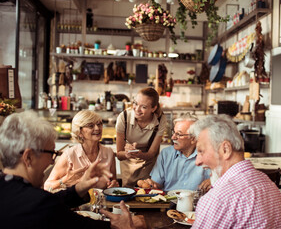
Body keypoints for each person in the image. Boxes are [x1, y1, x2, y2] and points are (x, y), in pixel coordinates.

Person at [0, 111, 143, 229]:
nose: (51, 160)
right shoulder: (38, 203)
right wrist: (116, 224)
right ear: (28, 157)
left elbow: (52, 201)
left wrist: (80, 187)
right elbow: (77, 224)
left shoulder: (9, 189)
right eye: (51, 153)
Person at [189, 115, 281, 229]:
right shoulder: (270, 185)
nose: (197, 161)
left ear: (225, 149)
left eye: (201, 151)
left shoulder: (217, 199)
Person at [45, 110, 118, 191]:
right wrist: (66, 179)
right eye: (91, 126)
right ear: (79, 132)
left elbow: (113, 182)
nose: (97, 128)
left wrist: (114, 184)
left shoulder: (109, 153)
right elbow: (47, 186)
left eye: (99, 124)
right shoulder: (70, 155)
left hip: (101, 202)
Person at [142, 113, 211, 191]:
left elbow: (220, 181)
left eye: (179, 134)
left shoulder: (207, 156)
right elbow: (157, 183)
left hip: (196, 202)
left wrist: (213, 181)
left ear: (193, 138)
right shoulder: (166, 154)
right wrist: (151, 184)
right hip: (168, 201)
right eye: (174, 132)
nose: (173, 137)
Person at [116, 87, 167, 187]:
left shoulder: (160, 119)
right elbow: (119, 154)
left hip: (149, 162)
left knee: (148, 191)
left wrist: (139, 154)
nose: (137, 109)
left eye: (143, 107)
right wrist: (127, 154)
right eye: (135, 103)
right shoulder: (124, 117)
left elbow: (152, 153)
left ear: (154, 108)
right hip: (128, 162)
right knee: (128, 192)